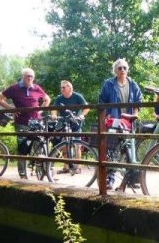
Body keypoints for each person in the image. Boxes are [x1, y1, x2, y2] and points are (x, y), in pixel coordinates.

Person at [0, 68, 51, 179]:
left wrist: (40, 111)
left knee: (39, 146)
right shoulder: (14, 88)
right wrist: (11, 108)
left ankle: (42, 172)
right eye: (27, 76)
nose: (30, 78)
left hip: (36, 122)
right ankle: (23, 175)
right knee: (22, 148)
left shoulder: (37, 88)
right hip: (21, 122)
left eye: (32, 76)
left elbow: (47, 99)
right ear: (23, 76)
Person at [98, 58, 143, 189]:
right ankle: (109, 180)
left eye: (125, 68)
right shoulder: (109, 84)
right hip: (115, 121)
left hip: (128, 121)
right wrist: (105, 118)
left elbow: (138, 101)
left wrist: (135, 114)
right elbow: (102, 102)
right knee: (113, 152)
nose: (122, 70)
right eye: (120, 68)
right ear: (115, 71)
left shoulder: (133, 84)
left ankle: (129, 181)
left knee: (130, 152)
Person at [51, 80, 90, 171]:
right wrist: (54, 115)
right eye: (61, 87)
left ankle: (78, 167)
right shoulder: (59, 98)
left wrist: (81, 115)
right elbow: (54, 108)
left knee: (77, 144)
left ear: (70, 88)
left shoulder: (77, 96)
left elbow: (87, 107)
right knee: (64, 145)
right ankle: (66, 166)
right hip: (64, 122)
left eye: (64, 87)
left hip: (76, 122)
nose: (62, 89)